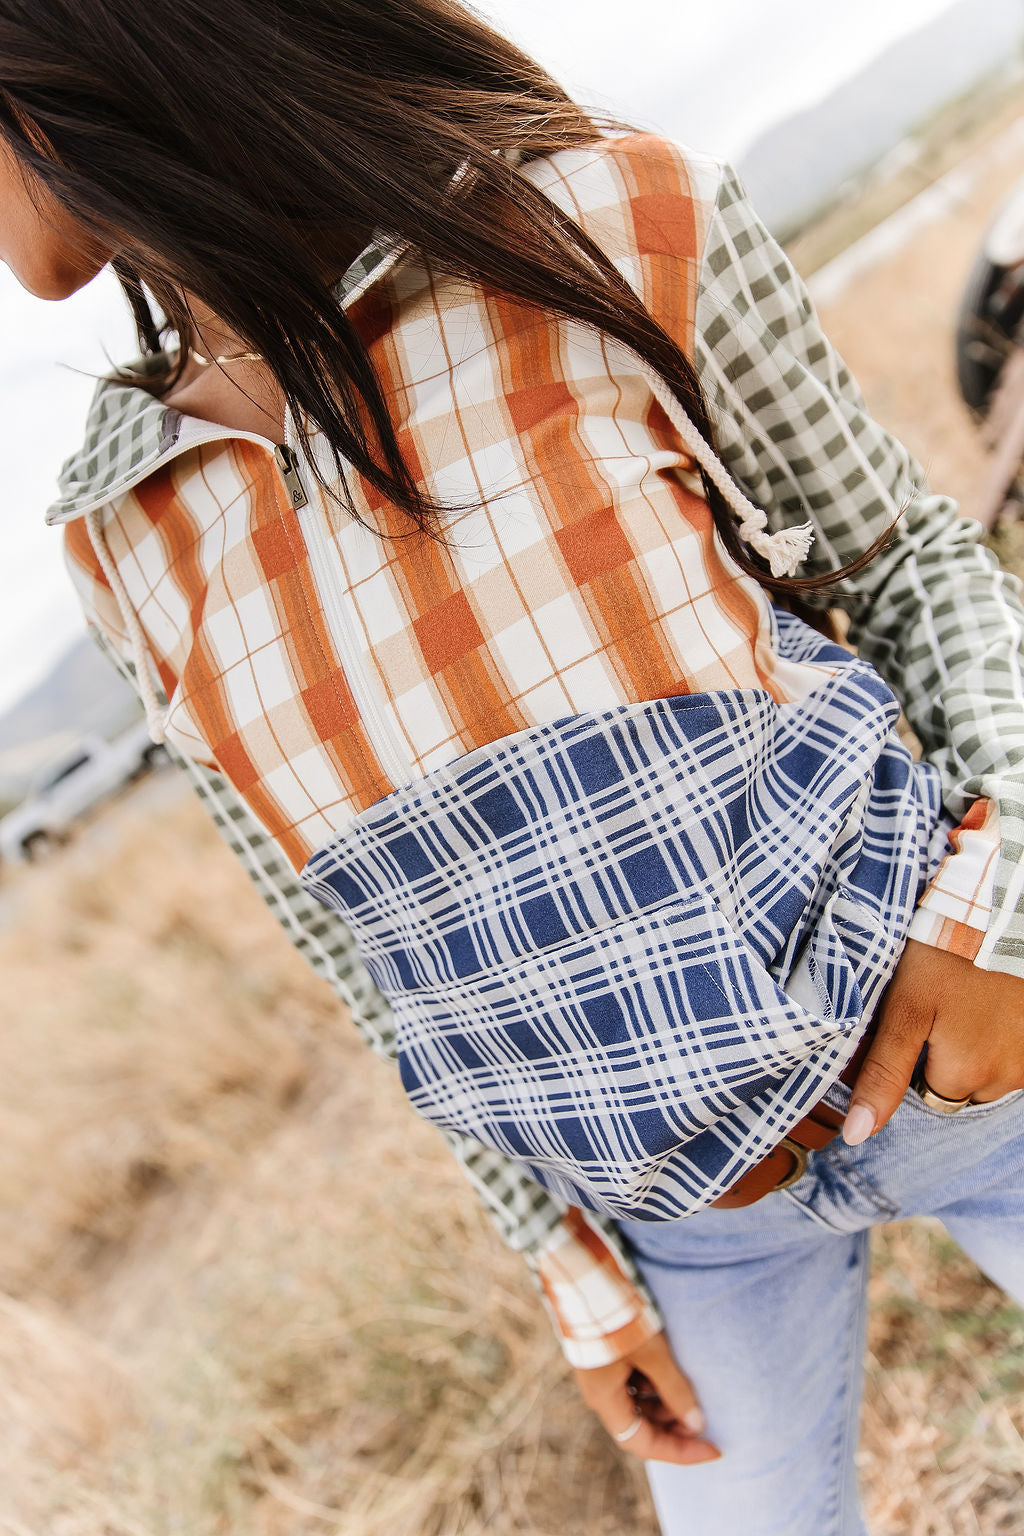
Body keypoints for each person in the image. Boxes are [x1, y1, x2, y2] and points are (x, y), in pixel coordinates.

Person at [4, 2, 1024, 1530]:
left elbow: (907, 566)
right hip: (683, 1225)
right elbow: (362, 945)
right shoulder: (123, 530)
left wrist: (996, 917)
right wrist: (560, 1261)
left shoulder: (604, 213)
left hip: (957, 1051)